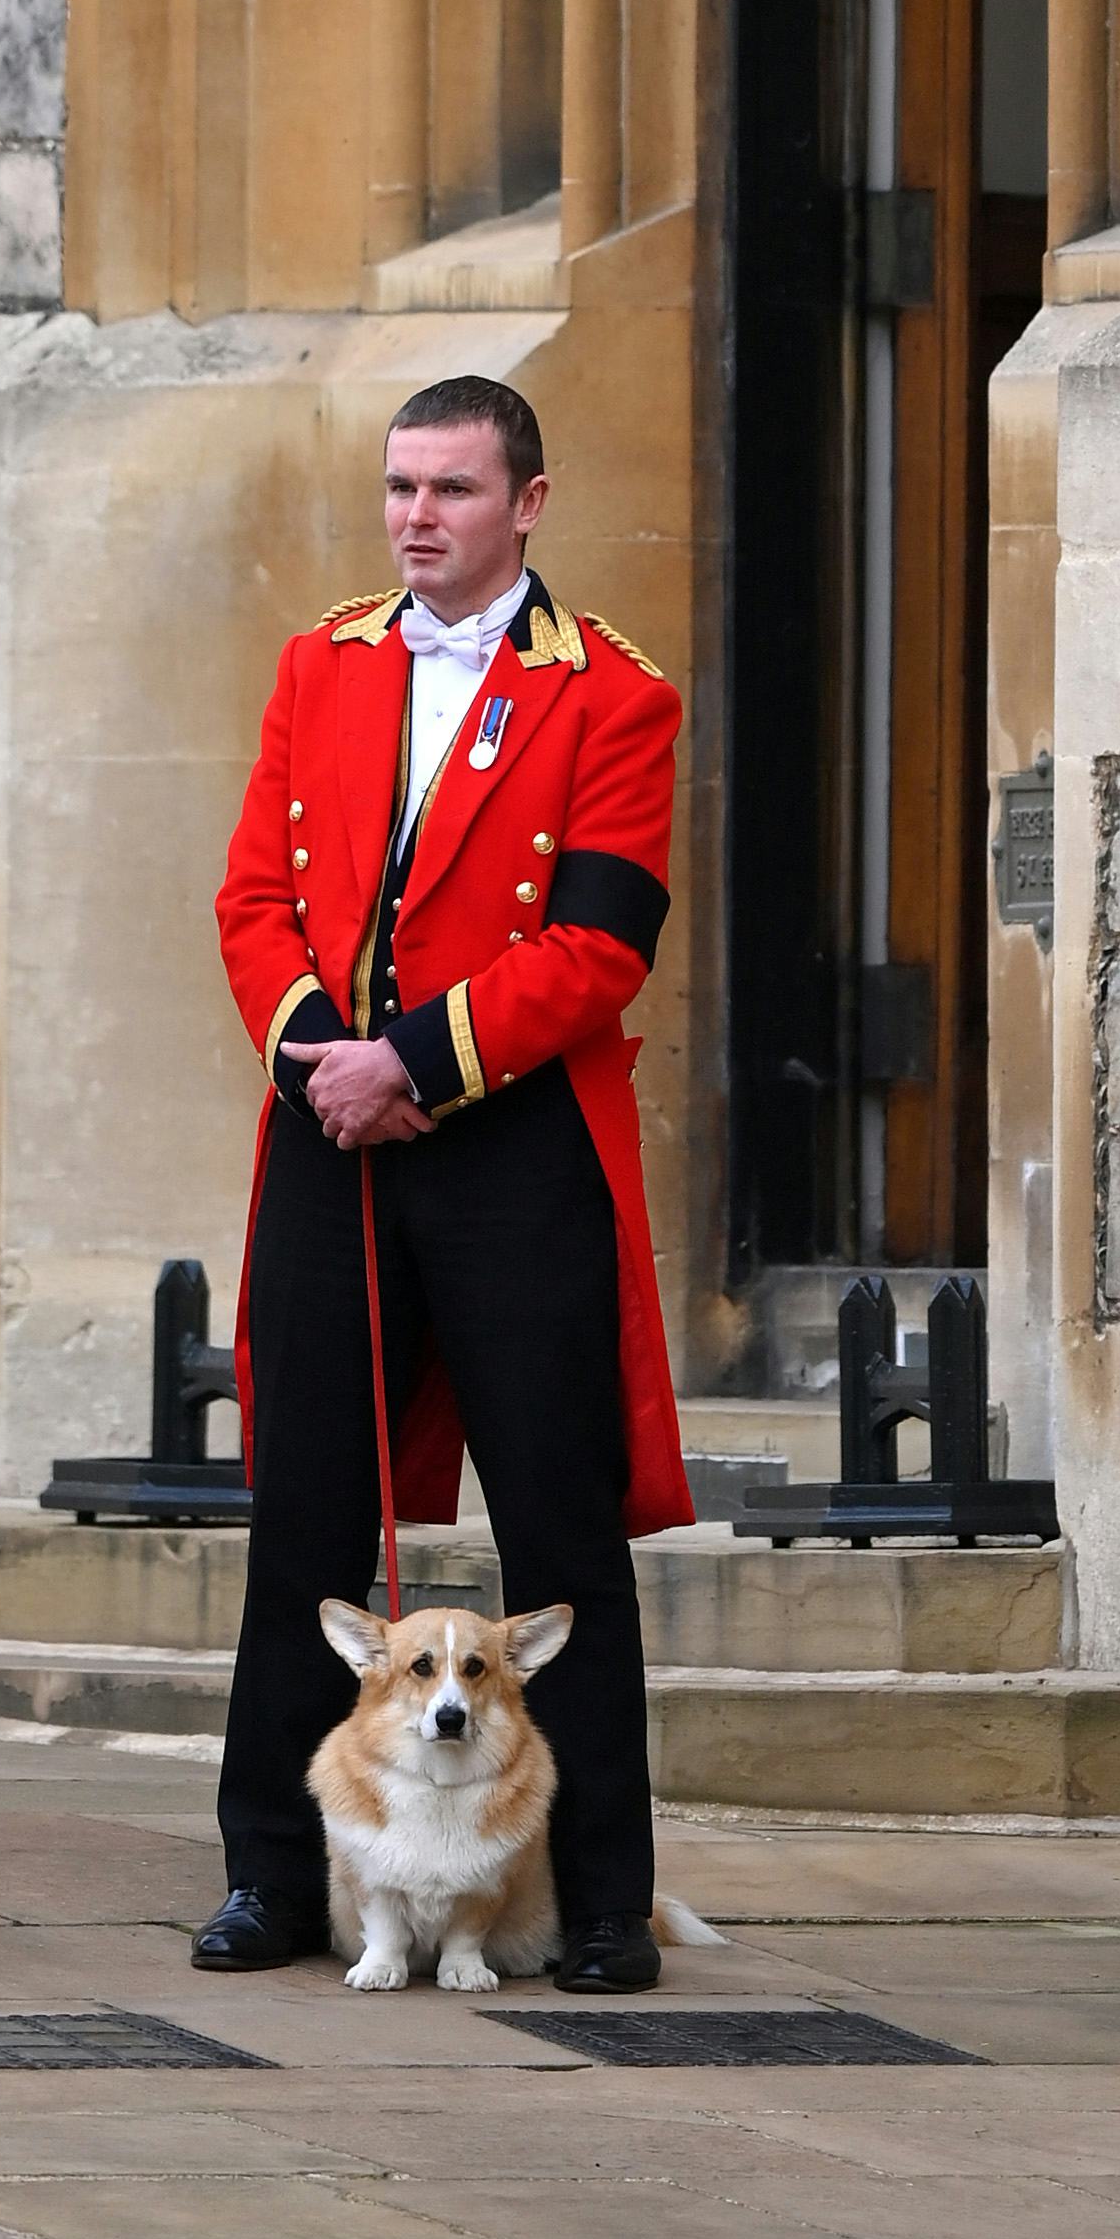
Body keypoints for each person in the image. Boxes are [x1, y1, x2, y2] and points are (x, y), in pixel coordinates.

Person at [199, 373, 692, 1988]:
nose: (417, 515)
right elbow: (251, 898)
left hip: (509, 1143)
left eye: (454, 489)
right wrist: (325, 1062)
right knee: (308, 1524)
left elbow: (601, 944)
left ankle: (602, 1895)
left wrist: (411, 1057)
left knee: (557, 1528)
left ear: (528, 502)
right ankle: (275, 1878)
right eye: (401, 486)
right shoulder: (319, 662)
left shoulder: (611, 692)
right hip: (329, 1137)